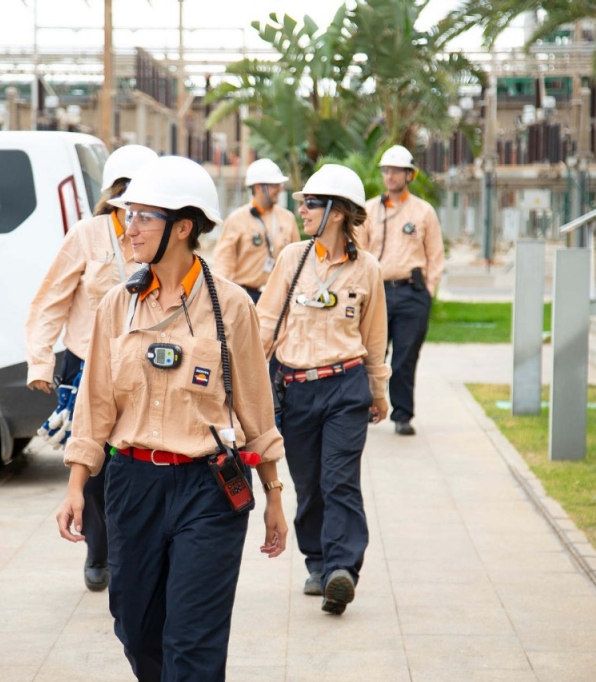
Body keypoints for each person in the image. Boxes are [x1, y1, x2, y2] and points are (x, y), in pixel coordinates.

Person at [56, 155, 288, 682]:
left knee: (193, 638)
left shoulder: (231, 307)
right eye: (128, 215)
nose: (129, 228)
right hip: (132, 484)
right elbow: (95, 406)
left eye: (144, 216)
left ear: (183, 227)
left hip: (209, 489)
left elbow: (256, 408)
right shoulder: (117, 306)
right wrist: (76, 486)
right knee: (136, 627)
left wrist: (274, 493)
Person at [256, 164, 390, 615]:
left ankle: (341, 570)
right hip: (295, 389)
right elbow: (265, 323)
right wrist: (243, 382)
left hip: (346, 388)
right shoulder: (292, 259)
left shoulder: (367, 268)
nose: (302, 209)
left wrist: (379, 391)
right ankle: (318, 562)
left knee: (339, 481)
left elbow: (375, 337)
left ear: (337, 212)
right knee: (309, 486)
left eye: (311, 203)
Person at [25, 144, 157, 592]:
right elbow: (51, 299)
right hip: (86, 365)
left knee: (133, 459)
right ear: (115, 194)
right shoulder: (87, 235)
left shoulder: (161, 239)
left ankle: (127, 551)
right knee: (92, 464)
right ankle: (99, 551)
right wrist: (41, 360)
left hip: (142, 368)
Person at [359, 145, 444, 436]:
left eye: (396, 171)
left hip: (411, 293)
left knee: (405, 357)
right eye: (386, 170)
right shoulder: (369, 210)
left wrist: (429, 290)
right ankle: (365, 408)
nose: (390, 176)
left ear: (410, 175)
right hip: (377, 293)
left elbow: (435, 255)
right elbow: (359, 251)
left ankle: (402, 415)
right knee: (371, 354)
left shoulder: (423, 211)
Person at [211, 158, 300, 302]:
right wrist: (220, 298)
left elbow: (297, 261)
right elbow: (223, 263)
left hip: (279, 298)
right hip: (246, 297)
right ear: (258, 187)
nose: (280, 189)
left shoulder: (288, 218)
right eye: (274, 185)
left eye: (280, 184)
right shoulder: (236, 219)